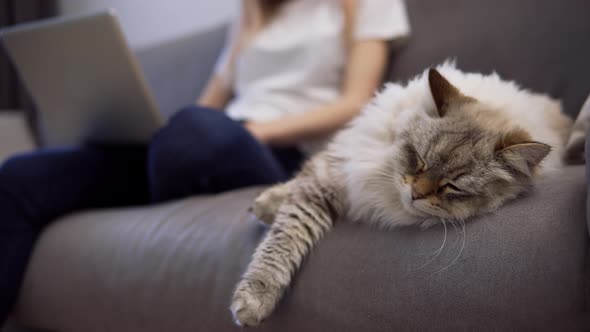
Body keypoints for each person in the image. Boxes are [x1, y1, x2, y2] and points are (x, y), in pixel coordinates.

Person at [0, 0, 410, 324]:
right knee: (21, 174)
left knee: (197, 134)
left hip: (275, 151)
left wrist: (254, 131)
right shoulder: (253, 11)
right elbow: (208, 103)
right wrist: (151, 133)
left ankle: (169, 171)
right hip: (207, 144)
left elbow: (356, 103)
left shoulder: (366, 3)